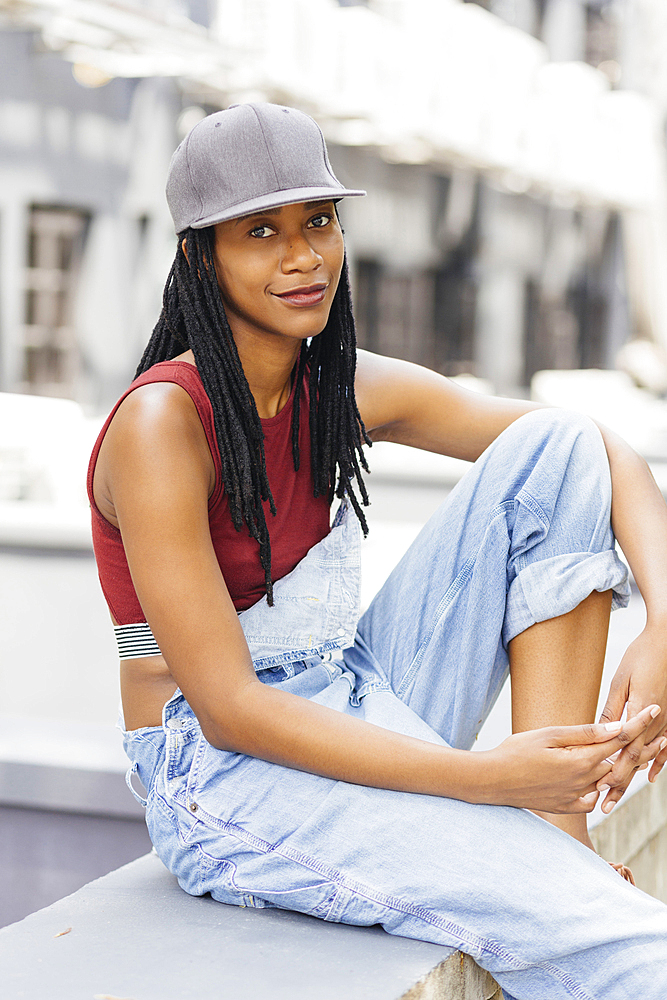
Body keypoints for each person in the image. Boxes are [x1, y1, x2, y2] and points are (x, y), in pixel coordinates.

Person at [88, 103, 667, 998]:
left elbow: (591, 447)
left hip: (349, 691)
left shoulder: (337, 384)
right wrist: (482, 780)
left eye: (318, 221)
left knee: (550, 451)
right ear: (201, 256)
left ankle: (561, 829)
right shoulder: (161, 424)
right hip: (221, 772)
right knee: (619, 937)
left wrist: (663, 625)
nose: (301, 255)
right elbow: (232, 711)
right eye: (260, 232)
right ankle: (546, 833)